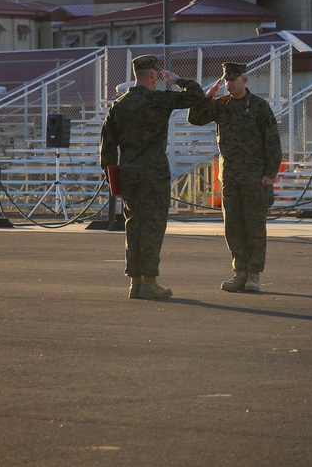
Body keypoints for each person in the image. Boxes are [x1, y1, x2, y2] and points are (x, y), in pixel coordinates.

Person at [100, 54, 205, 298]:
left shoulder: (119, 104)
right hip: (153, 175)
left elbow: (106, 146)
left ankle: (135, 282)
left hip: (128, 174)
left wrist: (112, 176)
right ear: (154, 76)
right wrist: (178, 80)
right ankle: (150, 281)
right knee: (152, 227)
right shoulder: (158, 99)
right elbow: (196, 96)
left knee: (133, 225)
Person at [188, 62, 282, 293]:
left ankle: (253, 275)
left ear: (244, 80)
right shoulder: (222, 105)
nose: (229, 84)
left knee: (255, 228)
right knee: (233, 228)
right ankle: (239, 273)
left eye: (233, 79)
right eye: (226, 80)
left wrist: (270, 175)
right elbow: (195, 118)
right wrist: (206, 97)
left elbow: (272, 142)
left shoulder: (259, 106)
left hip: (255, 178)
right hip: (230, 177)